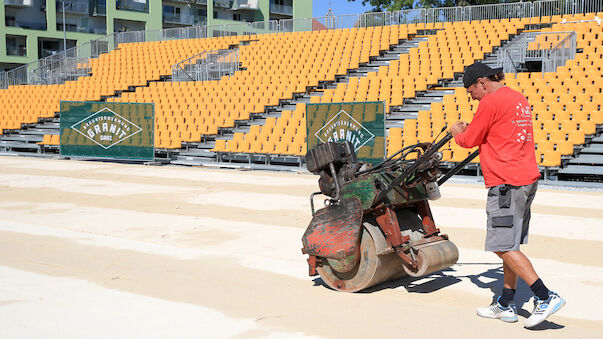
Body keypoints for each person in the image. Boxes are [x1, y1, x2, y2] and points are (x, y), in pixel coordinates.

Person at [450, 62, 565, 329]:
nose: (472, 97)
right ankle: (506, 303)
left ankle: (545, 296)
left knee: (501, 246)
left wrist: (458, 132)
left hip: (505, 183)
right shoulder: (517, 98)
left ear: (481, 82)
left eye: (471, 92)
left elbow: (469, 140)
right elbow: (498, 131)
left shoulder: (489, 102)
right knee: (511, 245)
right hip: (525, 179)